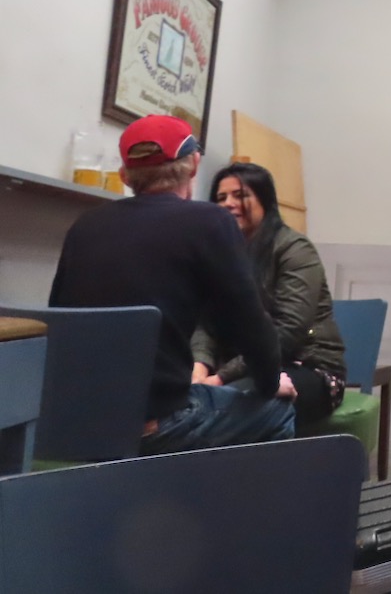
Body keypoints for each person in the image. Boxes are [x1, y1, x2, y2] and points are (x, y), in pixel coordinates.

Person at [49, 114, 296, 454]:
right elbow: (250, 326)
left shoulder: (84, 226)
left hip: (71, 420)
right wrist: (270, 382)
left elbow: (59, 318)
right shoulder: (211, 222)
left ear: (125, 176)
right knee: (278, 410)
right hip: (151, 426)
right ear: (194, 165)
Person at [192, 162, 347, 427]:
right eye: (221, 197)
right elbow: (205, 322)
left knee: (229, 403)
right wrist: (199, 368)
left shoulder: (295, 248)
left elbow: (288, 331)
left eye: (240, 195)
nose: (228, 203)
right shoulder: (219, 253)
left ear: (265, 201)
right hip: (238, 367)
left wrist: (220, 378)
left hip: (306, 367)